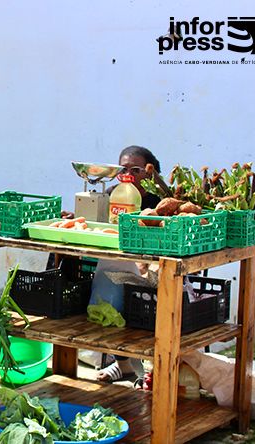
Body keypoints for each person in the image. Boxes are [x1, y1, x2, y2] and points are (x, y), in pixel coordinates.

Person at [95, 145, 162, 383]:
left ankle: (152, 370)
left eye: (136, 169)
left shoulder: (161, 201)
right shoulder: (112, 194)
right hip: (119, 262)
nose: (129, 175)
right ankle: (121, 363)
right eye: (123, 169)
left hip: (154, 266)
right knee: (109, 274)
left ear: (150, 173)